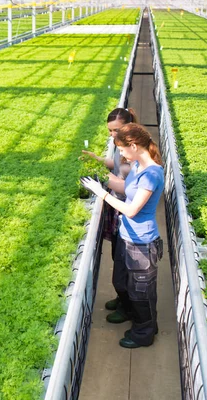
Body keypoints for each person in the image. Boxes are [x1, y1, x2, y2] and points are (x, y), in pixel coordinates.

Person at [81, 123, 164, 348]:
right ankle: (143, 322)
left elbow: (131, 209)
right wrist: (97, 174)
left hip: (142, 243)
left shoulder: (151, 174)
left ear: (134, 146)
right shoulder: (137, 165)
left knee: (141, 291)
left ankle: (144, 333)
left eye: (122, 149)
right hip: (127, 235)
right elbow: (123, 187)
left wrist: (101, 194)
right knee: (128, 284)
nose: (121, 154)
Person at [82, 108, 137, 322]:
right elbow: (116, 165)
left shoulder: (135, 154)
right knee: (118, 256)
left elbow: (127, 188)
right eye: (110, 131)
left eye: (116, 130)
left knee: (125, 263)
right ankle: (122, 298)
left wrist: (101, 182)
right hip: (116, 207)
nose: (112, 135)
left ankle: (128, 306)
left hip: (125, 210)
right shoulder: (121, 146)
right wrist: (97, 159)